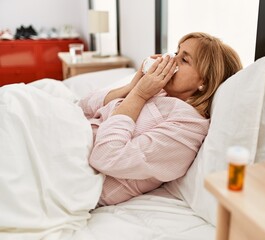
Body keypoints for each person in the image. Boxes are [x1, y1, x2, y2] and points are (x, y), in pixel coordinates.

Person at [78, 32, 243, 206]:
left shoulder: (188, 128)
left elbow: (105, 156)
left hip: (80, 179)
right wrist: (131, 87)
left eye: (184, 60)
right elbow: (83, 105)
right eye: (175, 52)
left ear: (205, 82)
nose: (170, 60)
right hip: (72, 137)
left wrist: (139, 95)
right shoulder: (158, 91)